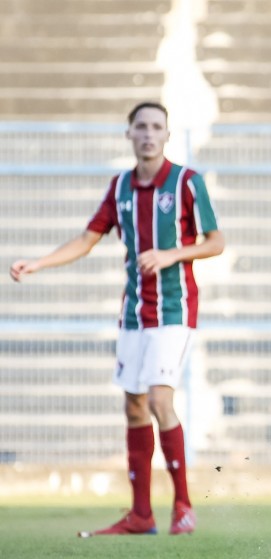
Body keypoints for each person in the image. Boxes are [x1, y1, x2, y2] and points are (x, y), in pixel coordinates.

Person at [10, 102, 225, 536]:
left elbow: (216, 242)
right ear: (128, 134)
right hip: (133, 314)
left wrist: (171, 254)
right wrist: (39, 263)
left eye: (157, 127)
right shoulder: (121, 187)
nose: (149, 134)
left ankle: (183, 506)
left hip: (173, 310)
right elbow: (88, 238)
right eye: (141, 127)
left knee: (161, 400)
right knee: (134, 406)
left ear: (167, 135)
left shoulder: (186, 182)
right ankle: (141, 514)